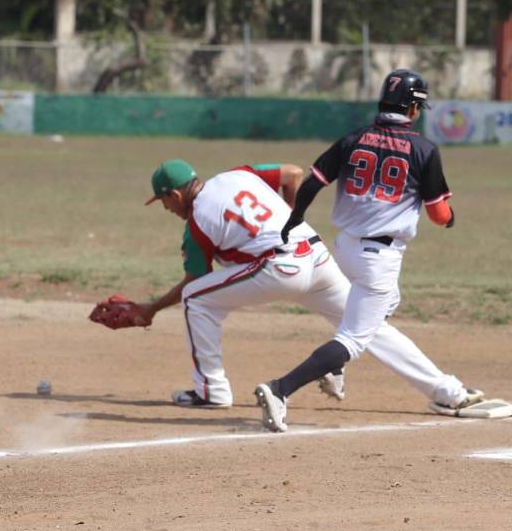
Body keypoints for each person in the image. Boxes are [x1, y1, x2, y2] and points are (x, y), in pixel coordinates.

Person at [135, 158, 473, 411]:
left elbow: (195, 279)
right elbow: (292, 173)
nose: (166, 208)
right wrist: (292, 216)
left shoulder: (197, 224)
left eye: (163, 201)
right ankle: (446, 391)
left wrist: (149, 309)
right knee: (366, 326)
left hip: (281, 268)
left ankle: (211, 391)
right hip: (316, 255)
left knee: (195, 298)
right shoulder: (238, 175)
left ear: (176, 194)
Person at [254, 68, 484, 433]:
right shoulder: (424, 149)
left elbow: (313, 182)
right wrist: (451, 218)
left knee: (383, 308)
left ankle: (442, 389)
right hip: (380, 257)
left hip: (344, 247)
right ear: (410, 107)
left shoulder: (354, 139)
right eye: (418, 108)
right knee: (354, 339)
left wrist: (295, 217)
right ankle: (281, 389)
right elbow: (439, 214)